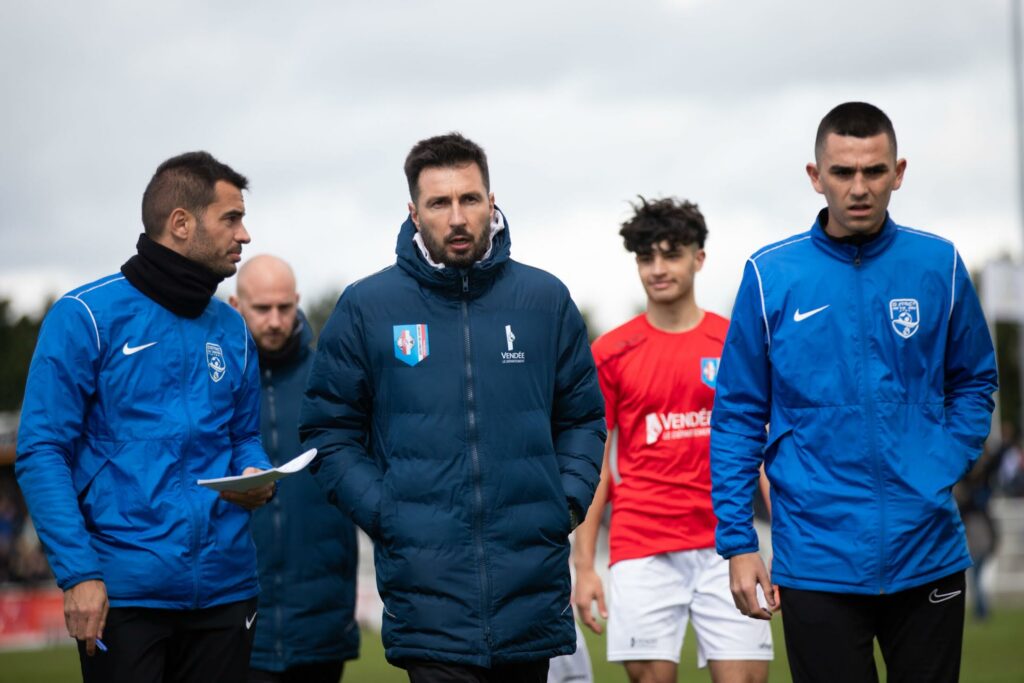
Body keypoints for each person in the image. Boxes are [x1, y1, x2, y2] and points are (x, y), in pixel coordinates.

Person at [299, 132, 606, 683]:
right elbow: (329, 430)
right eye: (440, 203)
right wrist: (387, 513)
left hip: (528, 585)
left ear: (492, 202)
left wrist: (562, 503)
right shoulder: (368, 307)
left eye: (470, 199)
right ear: (414, 213)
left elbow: (582, 418)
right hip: (427, 588)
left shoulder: (544, 300)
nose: (458, 217)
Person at [710, 102, 998, 683]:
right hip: (817, 558)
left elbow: (975, 380)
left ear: (899, 171)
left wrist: (938, 461)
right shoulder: (772, 274)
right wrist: (739, 542)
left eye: (874, 170)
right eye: (843, 172)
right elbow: (738, 415)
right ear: (816, 177)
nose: (859, 187)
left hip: (928, 550)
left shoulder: (938, 264)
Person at [15, 151, 275, 683]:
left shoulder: (231, 329)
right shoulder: (85, 316)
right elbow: (41, 452)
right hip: (123, 593)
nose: (245, 234)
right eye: (231, 218)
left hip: (227, 591)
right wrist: (79, 573)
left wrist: (253, 471)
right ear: (181, 224)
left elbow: (244, 435)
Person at [575, 197, 772, 683]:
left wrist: (785, 543)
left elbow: (765, 453)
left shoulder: (735, 343)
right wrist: (584, 567)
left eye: (671, 254)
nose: (658, 269)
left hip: (727, 544)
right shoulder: (611, 352)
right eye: (647, 257)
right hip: (641, 546)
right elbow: (595, 466)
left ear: (698, 258)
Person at [230, 255, 360, 682]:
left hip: (321, 621)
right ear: (235, 305)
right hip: (236, 618)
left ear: (298, 302)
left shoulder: (332, 378)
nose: (274, 320)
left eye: (284, 308)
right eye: (261, 308)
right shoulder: (213, 382)